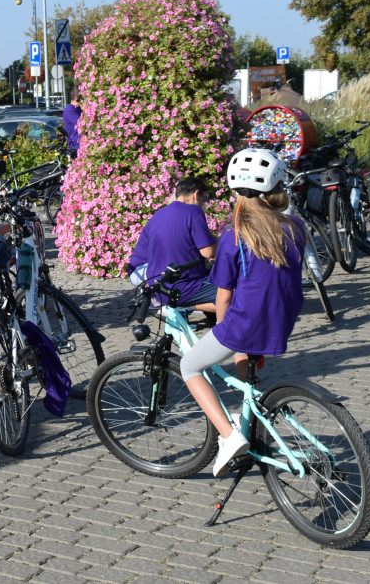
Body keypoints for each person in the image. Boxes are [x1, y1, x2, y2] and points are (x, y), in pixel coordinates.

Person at [180, 148, 305, 478]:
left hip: (246, 323)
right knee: (243, 365)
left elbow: (223, 296)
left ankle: (228, 435)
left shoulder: (233, 237)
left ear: (234, 191)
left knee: (190, 364)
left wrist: (222, 331)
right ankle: (246, 408)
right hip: (283, 318)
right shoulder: (296, 227)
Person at [126, 178, 217, 315]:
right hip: (185, 287)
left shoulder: (159, 213)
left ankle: (182, 309)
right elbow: (208, 252)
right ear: (196, 194)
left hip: (158, 287)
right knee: (236, 296)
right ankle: (187, 309)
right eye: (203, 199)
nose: (203, 204)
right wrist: (223, 242)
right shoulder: (194, 211)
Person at [62, 86, 82, 156]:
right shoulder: (70, 110)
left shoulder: (78, 109)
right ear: (76, 98)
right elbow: (81, 123)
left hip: (81, 143)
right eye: (82, 98)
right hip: (76, 145)